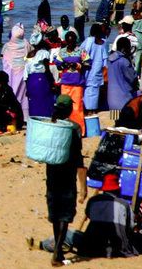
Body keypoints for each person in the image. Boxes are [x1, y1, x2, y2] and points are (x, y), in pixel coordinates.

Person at [44, 95, 86, 267]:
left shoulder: (49, 126)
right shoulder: (73, 128)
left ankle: (59, 251)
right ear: (69, 110)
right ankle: (56, 253)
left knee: (55, 215)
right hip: (67, 177)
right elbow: (79, 160)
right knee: (65, 216)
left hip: (52, 176)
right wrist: (83, 188)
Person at [1, 24, 31, 118]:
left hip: (11, 74)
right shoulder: (26, 43)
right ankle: (25, 117)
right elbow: (31, 53)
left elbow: (3, 58)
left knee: (12, 93)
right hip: (23, 73)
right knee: (23, 96)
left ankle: (13, 116)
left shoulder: (7, 46)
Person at [80, 23, 108, 115]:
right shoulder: (103, 43)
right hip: (97, 74)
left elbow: (81, 53)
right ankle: (93, 113)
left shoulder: (88, 41)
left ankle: (88, 113)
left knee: (87, 96)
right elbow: (105, 62)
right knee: (94, 96)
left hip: (88, 73)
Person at [106, 37, 139, 112]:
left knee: (116, 120)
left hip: (111, 101)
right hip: (124, 101)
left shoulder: (110, 60)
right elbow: (132, 78)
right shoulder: (124, 61)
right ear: (124, 49)